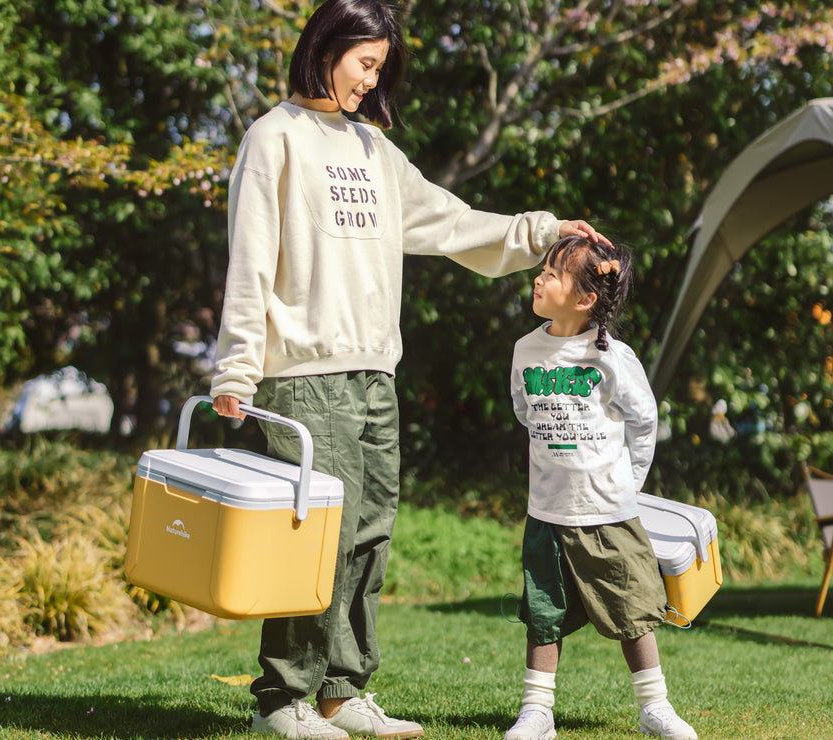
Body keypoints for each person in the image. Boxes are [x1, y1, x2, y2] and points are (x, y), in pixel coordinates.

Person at [209, 1, 609, 738]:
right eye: (366, 63)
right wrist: (236, 370)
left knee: (368, 533)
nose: (371, 81)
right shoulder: (274, 138)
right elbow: (251, 259)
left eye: (380, 70)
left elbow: (453, 223)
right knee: (315, 538)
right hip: (304, 374)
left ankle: (341, 689)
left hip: (375, 373)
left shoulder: (374, 152)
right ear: (326, 47)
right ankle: (284, 699)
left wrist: (544, 231)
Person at [506, 235, 698, 740]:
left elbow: (644, 420)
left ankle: (654, 706)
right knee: (544, 613)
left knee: (634, 610)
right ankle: (536, 711)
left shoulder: (611, 355)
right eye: (541, 270)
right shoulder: (526, 350)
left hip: (610, 512)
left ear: (585, 298)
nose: (539, 277)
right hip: (547, 511)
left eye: (552, 273)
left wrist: (627, 485)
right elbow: (525, 412)